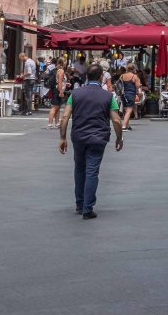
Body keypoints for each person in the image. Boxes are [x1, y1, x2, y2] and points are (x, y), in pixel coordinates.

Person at [58, 64, 124, 219]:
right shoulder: (108, 96)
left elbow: (65, 116)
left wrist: (62, 137)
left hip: (79, 136)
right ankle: (88, 208)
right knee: (92, 171)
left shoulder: (75, 94)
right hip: (98, 137)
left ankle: (80, 204)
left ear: (86, 76)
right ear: (101, 77)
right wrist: (119, 138)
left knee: (79, 168)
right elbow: (116, 120)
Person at [116, 64, 141, 132]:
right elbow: (138, 88)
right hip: (131, 94)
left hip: (123, 94)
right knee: (129, 110)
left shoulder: (122, 75)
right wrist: (139, 95)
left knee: (125, 109)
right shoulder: (135, 76)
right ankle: (124, 126)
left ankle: (127, 125)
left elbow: (118, 84)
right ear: (134, 69)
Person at [47, 59, 67, 129]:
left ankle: (57, 123)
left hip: (57, 89)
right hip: (58, 90)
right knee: (54, 107)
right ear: (63, 63)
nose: (66, 63)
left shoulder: (57, 70)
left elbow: (60, 81)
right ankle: (50, 123)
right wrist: (61, 91)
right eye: (65, 61)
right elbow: (60, 82)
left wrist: (66, 84)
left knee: (57, 108)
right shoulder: (61, 71)